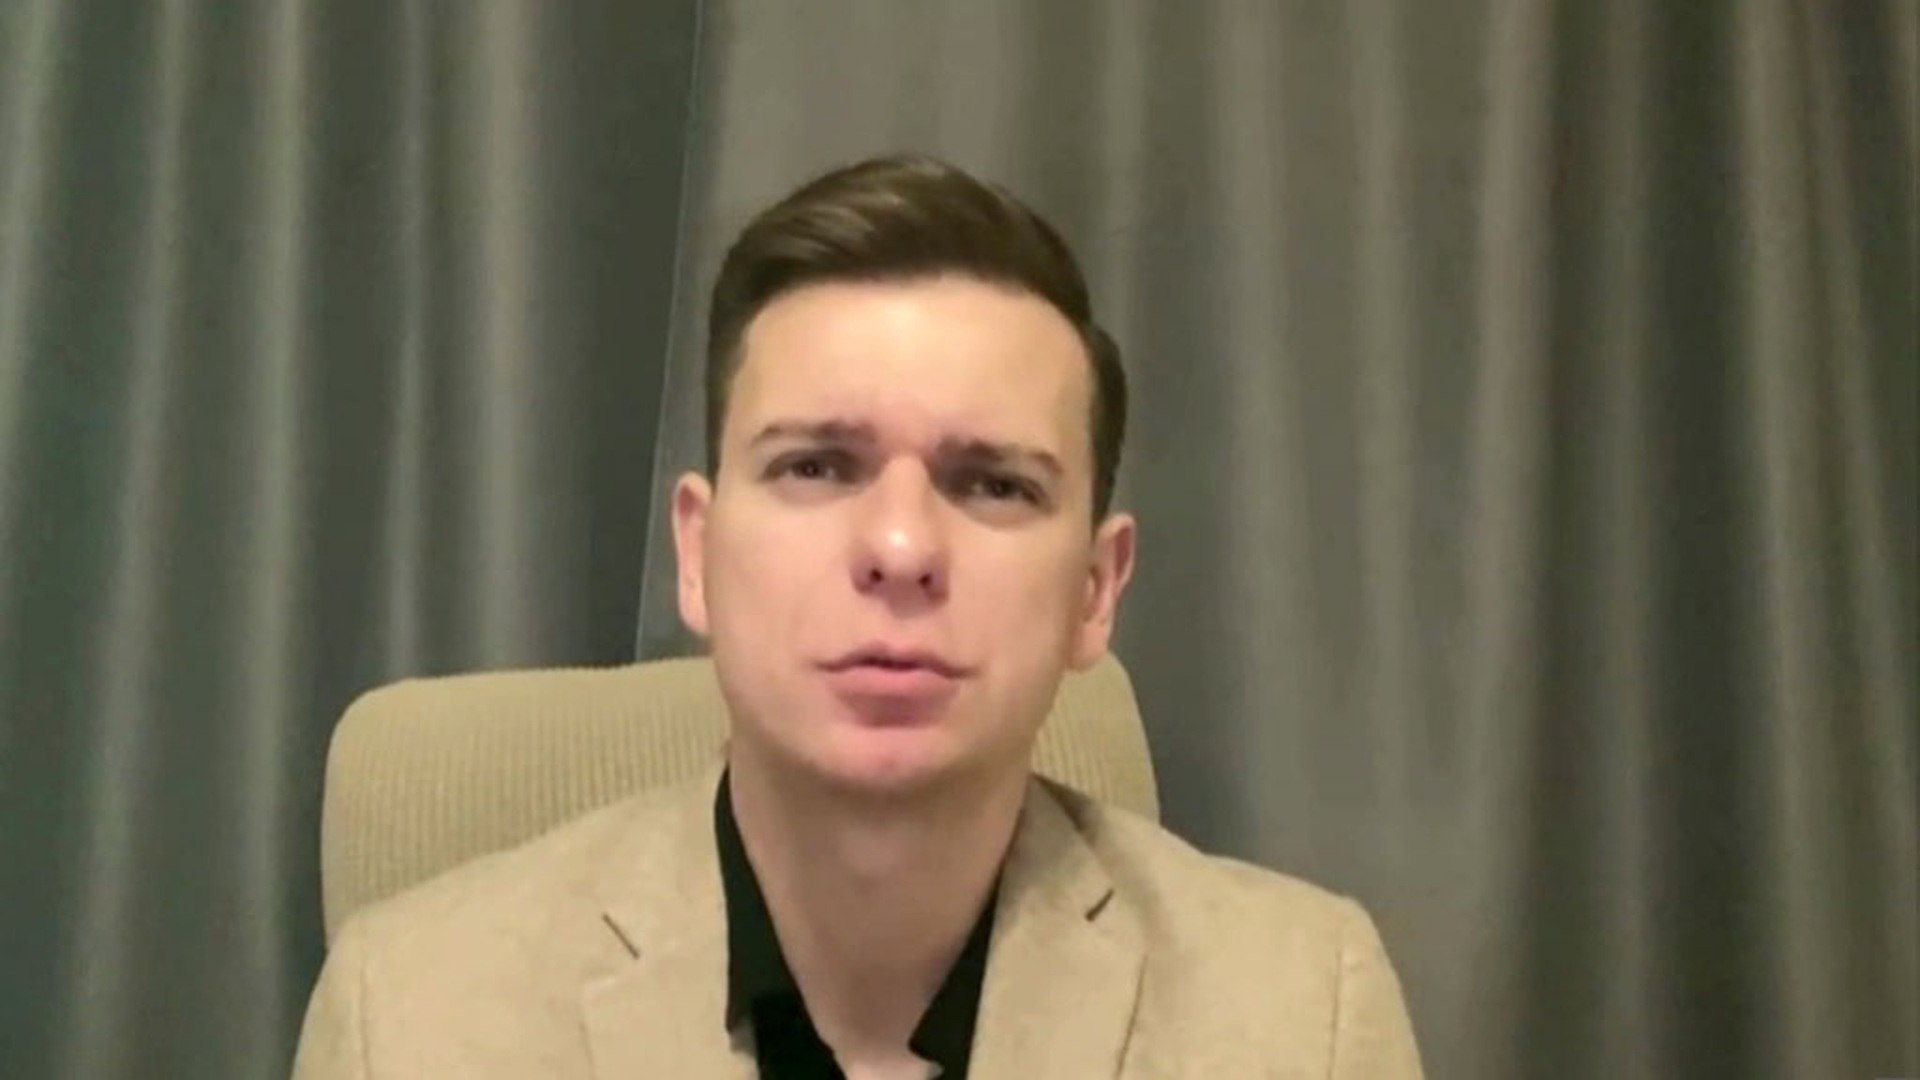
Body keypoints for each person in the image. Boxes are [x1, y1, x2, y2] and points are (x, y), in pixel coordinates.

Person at [292, 155, 1423, 1079]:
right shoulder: (412, 1019)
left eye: (994, 485)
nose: (901, 549)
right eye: (818, 467)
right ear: (698, 554)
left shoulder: (1302, 1017)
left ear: (1095, 589)